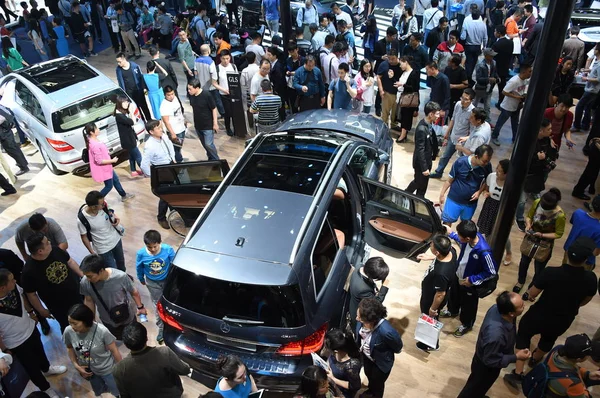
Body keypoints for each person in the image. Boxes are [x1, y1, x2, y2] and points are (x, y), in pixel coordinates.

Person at [504, 237, 598, 389]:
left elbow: (533, 292)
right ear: (586, 259)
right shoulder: (591, 279)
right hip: (563, 318)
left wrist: (529, 295)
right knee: (549, 339)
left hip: (540, 314)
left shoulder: (551, 272)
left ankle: (518, 373)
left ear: (567, 254)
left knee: (524, 334)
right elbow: (586, 300)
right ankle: (535, 358)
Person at [0, 269, 66, 398]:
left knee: (40, 351)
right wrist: (4, 349)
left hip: (30, 328)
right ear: (2, 287)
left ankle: (47, 368)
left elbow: (22, 295)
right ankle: (46, 389)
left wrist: (31, 312)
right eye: (12, 280)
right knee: (31, 367)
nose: (15, 281)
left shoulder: (14, 288)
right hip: (15, 342)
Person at [456, 291, 529, 398]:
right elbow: (491, 360)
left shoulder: (498, 308)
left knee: (479, 388)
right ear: (511, 313)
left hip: (486, 355)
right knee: (473, 389)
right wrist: (517, 357)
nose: (524, 306)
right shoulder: (496, 335)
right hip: (486, 368)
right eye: (521, 306)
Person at [441, 220, 498, 337]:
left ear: (467, 238)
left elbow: (492, 272)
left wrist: (472, 280)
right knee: (454, 295)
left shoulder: (484, 251)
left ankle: (466, 324)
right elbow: (459, 239)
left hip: (470, 283)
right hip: (458, 275)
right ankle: (452, 310)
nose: (459, 237)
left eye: (460, 235)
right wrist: (451, 233)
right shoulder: (468, 240)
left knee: (468, 306)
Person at [22, 233, 83, 332]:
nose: (50, 242)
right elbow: (31, 294)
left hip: (76, 294)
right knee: (68, 326)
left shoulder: (55, 250)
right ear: (40, 251)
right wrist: (41, 310)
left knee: (84, 316)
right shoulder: (28, 271)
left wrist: (83, 276)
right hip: (58, 306)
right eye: (47, 243)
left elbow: (70, 261)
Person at [113, 321, 191, 398]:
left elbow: (125, 395)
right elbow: (185, 370)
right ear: (147, 338)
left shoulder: (119, 370)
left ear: (126, 345)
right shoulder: (164, 353)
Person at [80, 254, 147, 340]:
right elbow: (89, 301)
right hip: (108, 320)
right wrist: (92, 320)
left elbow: (134, 292)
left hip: (127, 316)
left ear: (100, 270)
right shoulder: (85, 283)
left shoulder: (120, 276)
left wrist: (140, 307)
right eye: (86, 275)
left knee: (133, 336)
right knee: (118, 337)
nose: (87, 279)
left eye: (90, 276)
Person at [513, 188, 566, 293]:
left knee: (539, 268)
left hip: (545, 244)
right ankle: (520, 281)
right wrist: (528, 225)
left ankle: (532, 288)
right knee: (524, 262)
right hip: (530, 238)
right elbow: (529, 216)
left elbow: (558, 234)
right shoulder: (537, 203)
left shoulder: (560, 215)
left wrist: (542, 234)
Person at [63, 304, 122, 397]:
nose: (72, 326)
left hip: (107, 369)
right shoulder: (68, 331)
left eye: (75, 323)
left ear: (85, 321)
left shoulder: (102, 331)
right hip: (89, 371)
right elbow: (69, 348)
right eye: (69, 322)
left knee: (116, 390)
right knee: (99, 390)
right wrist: (76, 366)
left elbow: (114, 350)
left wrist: (121, 369)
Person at [415, 234, 457, 351]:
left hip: (432, 298)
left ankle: (430, 343)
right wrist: (431, 257)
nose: (430, 245)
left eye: (432, 246)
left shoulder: (441, 273)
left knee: (430, 318)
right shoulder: (451, 251)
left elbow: (440, 294)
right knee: (431, 317)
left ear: (438, 252)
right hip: (431, 290)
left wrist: (433, 309)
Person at [355, 297, 402, 398]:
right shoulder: (362, 320)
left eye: (359, 317)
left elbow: (398, 347)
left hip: (380, 364)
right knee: (369, 375)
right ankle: (370, 391)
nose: (357, 319)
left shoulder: (387, 331)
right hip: (367, 357)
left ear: (369, 320)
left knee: (378, 385)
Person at [136, 230, 174, 345]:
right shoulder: (141, 253)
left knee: (170, 302)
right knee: (158, 304)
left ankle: (173, 324)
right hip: (152, 283)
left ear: (160, 243)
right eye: (149, 247)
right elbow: (139, 267)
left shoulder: (168, 250)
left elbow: (174, 264)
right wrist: (141, 278)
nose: (152, 249)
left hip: (167, 281)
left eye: (155, 247)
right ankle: (161, 327)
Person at [439, 145, 494, 225]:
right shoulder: (460, 162)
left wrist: (479, 192)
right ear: (476, 156)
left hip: (470, 203)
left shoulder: (487, 166)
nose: (486, 163)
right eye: (484, 161)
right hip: (454, 199)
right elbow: (449, 180)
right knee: (447, 221)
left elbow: (487, 180)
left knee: (465, 224)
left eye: (488, 161)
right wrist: (442, 194)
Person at [82, 122, 136, 202]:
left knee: (115, 180)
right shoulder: (94, 144)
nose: (98, 130)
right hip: (104, 168)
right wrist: (113, 160)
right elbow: (99, 160)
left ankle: (123, 195)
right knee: (109, 186)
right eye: (96, 129)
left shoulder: (92, 140)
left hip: (107, 167)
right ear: (91, 132)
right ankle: (95, 201)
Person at [78, 190, 128, 272]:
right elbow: (84, 236)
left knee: (121, 263)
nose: (104, 204)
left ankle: (124, 276)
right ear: (93, 207)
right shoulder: (82, 219)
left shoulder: (104, 205)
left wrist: (116, 218)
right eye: (101, 204)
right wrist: (91, 251)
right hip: (103, 248)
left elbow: (110, 212)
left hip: (116, 239)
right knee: (113, 270)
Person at [431, 89, 475, 179]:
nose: (463, 100)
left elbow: (473, 130)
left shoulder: (473, 112)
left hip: (462, 142)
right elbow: (453, 119)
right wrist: (447, 133)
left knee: (460, 161)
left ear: (471, 100)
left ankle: (458, 177)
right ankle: (438, 172)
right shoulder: (458, 104)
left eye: (466, 99)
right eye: (462, 98)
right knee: (444, 156)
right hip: (453, 136)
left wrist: (466, 139)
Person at [140, 120, 176, 229]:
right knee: (165, 196)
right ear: (151, 132)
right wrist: (153, 175)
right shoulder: (150, 146)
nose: (161, 130)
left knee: (173, 191)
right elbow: (144, 164)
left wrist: (173, 159)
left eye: (160, 127)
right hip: (161, 171)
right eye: (158, 128)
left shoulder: (164, 137)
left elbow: (170, 147)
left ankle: (173, 210)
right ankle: (161, 218)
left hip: (170, 166)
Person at [477, 159, 513, 265]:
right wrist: (486, 193)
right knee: (487, 231)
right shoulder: (491, 176)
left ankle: (508, 252)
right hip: (490, 205)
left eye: (500, 171)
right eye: (497, 168)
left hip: (502, 208)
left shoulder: (510, 183)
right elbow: (487, 188)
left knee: (502, 233)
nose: (497, 171)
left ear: (507, 174)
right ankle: (487, 252)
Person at [491, 63, 533, 146]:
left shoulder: (524, 80)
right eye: (529, 71)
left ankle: (515, 139)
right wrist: (516, 97)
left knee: (515, 124)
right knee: (500, 123)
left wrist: (522, 96)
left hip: (516, 106)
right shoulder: (514, 81)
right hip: (507, 106)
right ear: (524, 72)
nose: (531, 73)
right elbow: (504, 91)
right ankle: (494, 136)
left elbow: (521, 90)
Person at [406, 101, 440, 197]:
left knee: (423, 185)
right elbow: (420, 149)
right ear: (430, 114)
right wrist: (424, 168)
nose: (438, 116)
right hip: (421, 163)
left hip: (427, 160)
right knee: (418, 182)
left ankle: (418, 200)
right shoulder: (421, 129)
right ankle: (405, 194)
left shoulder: (429, 126)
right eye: (437, 114)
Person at [348, 257, 390, 328]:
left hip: (354, 301)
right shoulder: (363, 289)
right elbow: (376, 303)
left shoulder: (360, 266)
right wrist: (384, 287)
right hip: (360, 312)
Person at [563, 195, 600, 270]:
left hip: (569, 252)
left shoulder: (578, 213)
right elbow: (595, 252)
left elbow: (573, 223)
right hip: (585, 261)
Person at [188, 78, 220, 161]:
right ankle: (211, 158)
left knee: (208, 144)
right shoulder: (191, 96)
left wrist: (215, 123)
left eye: (190, 89)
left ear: (197, 88)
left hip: (208, 125)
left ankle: (217, 160)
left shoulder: (207, 95)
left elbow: (214, 108)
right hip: (198, 125)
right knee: (205, 145)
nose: (189, 91)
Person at [324, 329, 361, 398]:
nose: (325, 348)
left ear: (336, 351)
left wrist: (333, 379)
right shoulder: (335, 352)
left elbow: (355, 386)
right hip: (332, 386)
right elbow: (330, 359)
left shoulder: (351, 365)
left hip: (343, 392)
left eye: (326, 347)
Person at [115, 53, 151, 122]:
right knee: (136, 109)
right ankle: (143, 122)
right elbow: (120, 82)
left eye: (120, 61)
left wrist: (145, 90)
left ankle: (149, 121)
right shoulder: (118, 70)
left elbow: (141, 78)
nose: (118, 64)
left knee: (144, 107)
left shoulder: (134, 66)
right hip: (130, 94)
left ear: (124, 59)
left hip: (139, 91)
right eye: (117, 62)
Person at [114, 95, 143, 177]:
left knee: (132, 156)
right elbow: (132, 122)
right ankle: (146, 171)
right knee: (138, 156)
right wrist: (131, 112)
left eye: (127, 101)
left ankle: (133, 171)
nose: (127, 103)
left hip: (128, 139)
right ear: (120, 103)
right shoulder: (119, 116)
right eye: (125, 102)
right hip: (128, 140)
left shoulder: (121, 113)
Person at [573, 49, 600, 133]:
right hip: (591, 89)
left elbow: (599, 78)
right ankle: (585, 125)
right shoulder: (597, 62)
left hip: (592, 90)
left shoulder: (599, 64)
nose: (594, 50)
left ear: (598, 51)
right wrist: (586, 70)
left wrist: (587, 78)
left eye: (595, 49)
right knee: (587, 107)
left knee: (579, 106)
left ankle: (576, 125)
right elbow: (594, 71)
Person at [213, 49, 238, 137]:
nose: (226, 61)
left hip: (234, 93)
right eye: (224, 58)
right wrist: (224, 90)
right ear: (220, 58)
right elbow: (214, 83)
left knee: (235, 112)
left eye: (227, 58)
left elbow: (236, 79)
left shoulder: (233, 66)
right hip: (224, 94)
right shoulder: (218, 68)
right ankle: (228, 128)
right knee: (227, 112)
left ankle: (237, 128)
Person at [0, 103, 29, 176]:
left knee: (11, 149)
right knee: (13, 148)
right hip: (6, 128)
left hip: (4, 130)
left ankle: (23, 166)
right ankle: (23, 163)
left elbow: (2, 118)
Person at [160, 86, 187, 164]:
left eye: (172, 94)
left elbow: (179, 111)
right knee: (175, 149)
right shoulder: (164, 105)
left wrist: (184, 120)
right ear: (165, 95)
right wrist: (172, 133)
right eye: (168, 95)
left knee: (179, 148)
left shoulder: (175, 99)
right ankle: (179, 163)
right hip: (174, 131)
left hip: (181, 128)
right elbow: (166, 121)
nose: (171, 96)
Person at [377, 48, 402, 130]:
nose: (391, 61)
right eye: (389, 58)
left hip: (399, 93)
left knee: (395, 112)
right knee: (385, 113)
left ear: (397, 57)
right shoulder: (384, 64)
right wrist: (381, 90)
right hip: (387, 92)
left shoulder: (401, 65)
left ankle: (394, 125)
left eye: (393, 59)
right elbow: (378, 77)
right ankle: (383, 127)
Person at [460, 9, 487, 85]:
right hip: (478, 46)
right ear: (479, 16)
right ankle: (470, 78)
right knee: (474, 63)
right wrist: (484, 46)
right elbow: (485, 38)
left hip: (468, 45)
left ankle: (468, 78)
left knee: (468, 63)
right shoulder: (483, 25)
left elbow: (463, 37)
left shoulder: (467, 23)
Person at [473, 48, 498, 123]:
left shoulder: (494, 63)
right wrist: (489, 79)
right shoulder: (480, 65)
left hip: (489, 88)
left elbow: (495, 73)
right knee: (475, 104)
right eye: (491, 56)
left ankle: (487, 121)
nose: (492, 57)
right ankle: (471, 117)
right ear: (486, 56)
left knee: (487, 107)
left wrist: (497, 78)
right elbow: (478, 79)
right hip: (481, 88)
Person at [492, 25, 514, 106]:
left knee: (491, 85)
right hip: (505, 67)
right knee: (502, 87)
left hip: (496, 69)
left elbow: (492, 58)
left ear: (498, 33)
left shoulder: (496, 45)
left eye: (495, 31)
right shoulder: (510, 43)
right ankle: (501, 102)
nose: (494, 33)